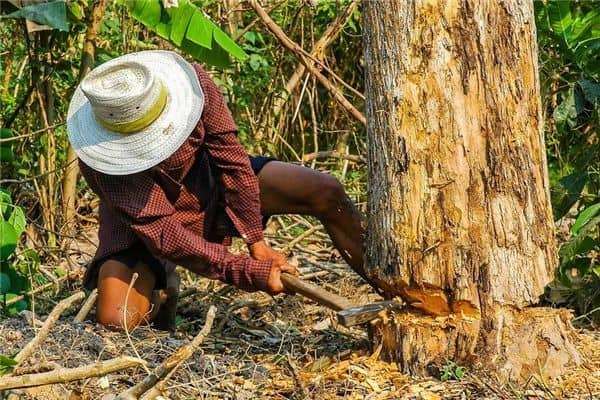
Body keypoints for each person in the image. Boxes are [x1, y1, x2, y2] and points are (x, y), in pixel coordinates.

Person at [67, 50, 368, 331]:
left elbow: (234, 163)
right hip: (143, 232)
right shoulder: (100, 163)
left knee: (324, 189)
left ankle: (392, 284)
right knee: (115, 320)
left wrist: (256, 241)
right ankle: (161, 290)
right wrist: (248, 271)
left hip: (210, 188)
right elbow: (162, 233)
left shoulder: (195, 87)